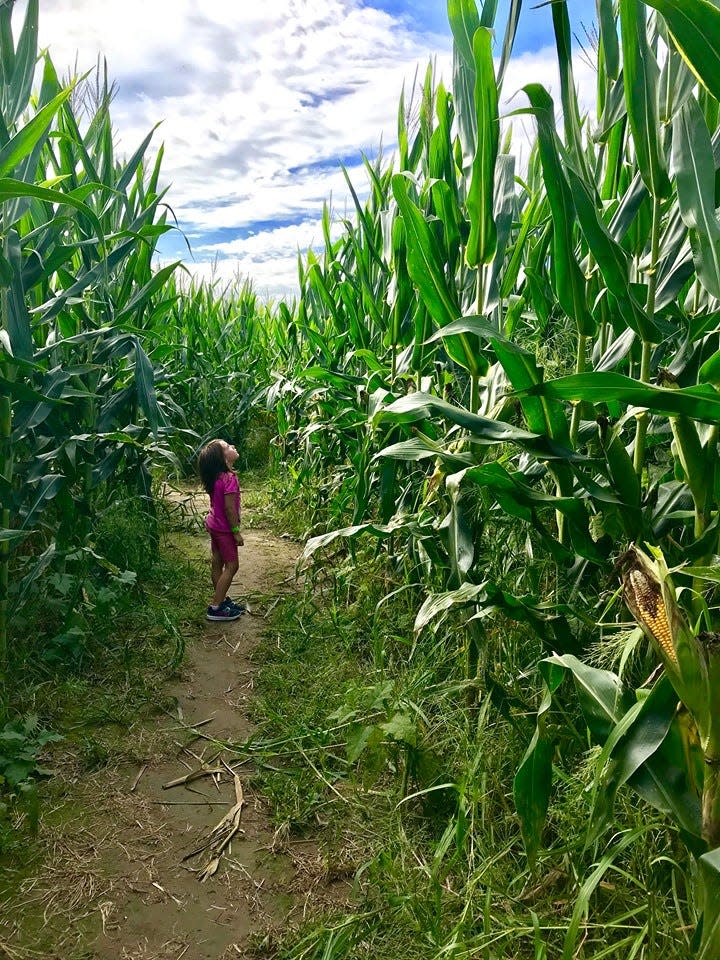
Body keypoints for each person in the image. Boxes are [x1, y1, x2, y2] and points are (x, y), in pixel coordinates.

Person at [198, 439, 246, 621]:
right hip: (225, 529)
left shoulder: (216, 478)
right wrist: (235, 531)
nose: (233, 446)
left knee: (217, 562)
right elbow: (229, 508)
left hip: (214, 526)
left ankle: (222, 600)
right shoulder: (229, 479)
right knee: (232, 566)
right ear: (222, 458)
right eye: (228, 447)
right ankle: (216, 607)